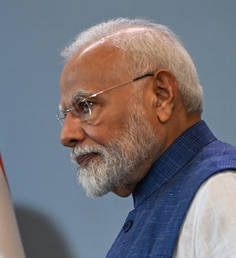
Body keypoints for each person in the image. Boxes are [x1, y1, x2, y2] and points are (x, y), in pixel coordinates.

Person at [58, 18, 236, 257]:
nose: (66, 135)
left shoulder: (220, 193)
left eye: (86, 105)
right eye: (65, 114)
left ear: (161, 96)